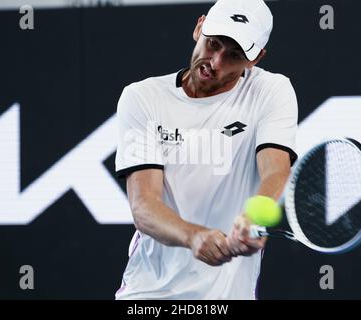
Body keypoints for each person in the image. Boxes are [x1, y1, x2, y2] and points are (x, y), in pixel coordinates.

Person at [114, 0, 298, 299]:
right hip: (148, 294)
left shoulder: (271, 91)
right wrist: (193, 236)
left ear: (256, 58)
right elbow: (143, 206)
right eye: (213, 44)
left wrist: (254, 217)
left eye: (234, 55)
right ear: (199, 27)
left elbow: (276, 171)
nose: (216, 62)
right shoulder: (142, 97)